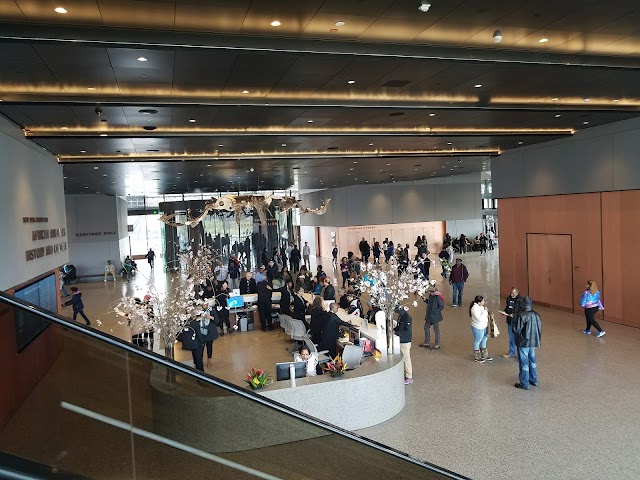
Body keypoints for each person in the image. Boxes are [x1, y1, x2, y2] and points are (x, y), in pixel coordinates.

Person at [513, 296, 542, 390]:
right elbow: (539, 328)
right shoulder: (536, 315)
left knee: (524, 362)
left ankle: (524, 383)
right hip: (533, 342)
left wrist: (514, 319)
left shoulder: (522, 315)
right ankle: (534, 380)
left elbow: (516, 330)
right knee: (532, 361)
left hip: (523, 342)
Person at [394, 306, 413, 385]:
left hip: (405, 342)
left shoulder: (407, 318)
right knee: (403, 358)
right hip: (400, 340)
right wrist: (394, 330)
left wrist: (396, 333)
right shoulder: (401, 317)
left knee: (406, 359)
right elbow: (399, 327)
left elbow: (407, 332)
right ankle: (404, 373)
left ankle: (409, 376)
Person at [502, 287, 523, 358]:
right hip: (510, 321)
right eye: (511, 293)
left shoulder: (520, 300)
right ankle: (511, 352)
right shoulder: (509, 298)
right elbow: (508, 307)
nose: (512, 295)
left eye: (513, 294)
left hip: (517, 322)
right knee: (511, 338)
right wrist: (505, 312)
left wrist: (514, 315)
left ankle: (521, 354)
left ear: (517, 293)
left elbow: (522, 311)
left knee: (519, 338)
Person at [470, 295, 492, 363]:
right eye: (483, 301)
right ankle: (477, 357)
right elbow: (479, 319)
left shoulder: (481, 307)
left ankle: (484, 355)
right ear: (479, 302)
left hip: (484, 326)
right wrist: (485, 311)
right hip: (478, 327)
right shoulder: (474, 308)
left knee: (484, 339)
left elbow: (484, 315)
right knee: (477, 341)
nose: (484, 302)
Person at [199, 301, 220, 367]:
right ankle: (199, 361)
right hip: (201, 331)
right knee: (200, 348)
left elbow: (217, 321)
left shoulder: (212, 311)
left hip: (210, 332)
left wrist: (211, 317)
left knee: (209, 346)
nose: (204, 305)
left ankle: (209, 361)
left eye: (206, 304)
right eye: (203, 304)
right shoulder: (199, 312)